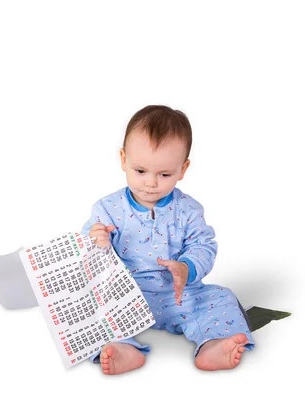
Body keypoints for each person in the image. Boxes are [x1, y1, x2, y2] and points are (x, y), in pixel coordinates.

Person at [82, 105, 254, 375]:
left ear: (183, 169)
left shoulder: (188, 210)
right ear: (123, 159)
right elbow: (85, 253)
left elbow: (203, 245)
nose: (151, 183)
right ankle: (123, 348)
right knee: (86, 306)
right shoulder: (106, 209)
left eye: (164, 174)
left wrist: (186, 267)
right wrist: (96, 240)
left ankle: (213, 343)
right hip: (125, 296)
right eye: (140, 171)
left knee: (222, 298)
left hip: (179, 295)